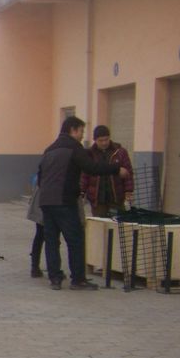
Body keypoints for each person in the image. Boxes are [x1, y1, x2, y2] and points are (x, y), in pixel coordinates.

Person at [37, 116, 127, 291]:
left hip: (46, 201)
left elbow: (40, 176)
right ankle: (78, 280)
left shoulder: (49, 149)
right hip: (64, 201)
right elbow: (91, 168)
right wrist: (116, 169)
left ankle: (55, 279)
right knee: (76, 240)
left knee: (51, 240)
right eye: (81, 131)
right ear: (73, 130)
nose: (82, 135)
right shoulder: (74, 147)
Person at [80, 125, 133, 217]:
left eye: (106, 139)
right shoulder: (90, 154)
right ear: (95, 140)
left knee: (117, 223)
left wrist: (128, 191)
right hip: (97, 200)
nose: (104, 143)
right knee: (100, 223)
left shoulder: (120, 152)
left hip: (116, 198)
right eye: (101, 140)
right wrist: (82, 191)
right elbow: (84, 175)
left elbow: (128, 172)